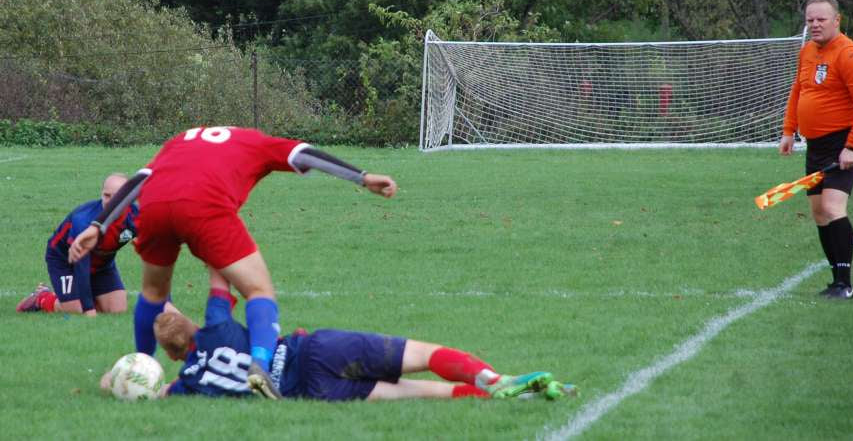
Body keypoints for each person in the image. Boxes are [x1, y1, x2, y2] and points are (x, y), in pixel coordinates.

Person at [70, 126, 397, 398]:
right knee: (259, 290)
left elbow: (140, 179)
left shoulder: (182, 139)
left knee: (153, 294)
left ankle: (138, 367)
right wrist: (362, 177)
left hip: (156, 205)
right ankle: (259, 365)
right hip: (204, 206)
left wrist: (99, 225)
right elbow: (303, 154)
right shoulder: (255, 141)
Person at [99, 273, 574, 401]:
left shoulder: (189, 385)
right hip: (314, 349)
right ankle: (494, 377)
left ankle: (508, 397)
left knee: (425, 392)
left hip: (313, 392)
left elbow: (156, 391)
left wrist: (117, 378)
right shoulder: (218, 327)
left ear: (172, 354)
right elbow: (220, 276)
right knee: (426, 356)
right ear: (193, 329)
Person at [780, 0, 853, 299]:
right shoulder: (807, 52)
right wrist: (789, 130)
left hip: (843, 143)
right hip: (815, 145)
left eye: (821, 19)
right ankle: (835, 282)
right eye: (810, 19)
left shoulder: (850, 55)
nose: (814, 24)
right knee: (818, 213)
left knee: (832, 207)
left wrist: (852, 146)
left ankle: (845, 284)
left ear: (837, 20)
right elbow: (798, 89)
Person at [16, 173, 137, 315]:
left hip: (102, 264)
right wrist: (88, 309)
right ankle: (42, 298)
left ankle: (82, 296)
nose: (109, 202)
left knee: (117, 310)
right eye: (106, 195)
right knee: (77, 310)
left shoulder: (135, 216)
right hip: (66, 262)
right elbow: (81, 266)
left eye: (116, 197)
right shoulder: (84, 221)